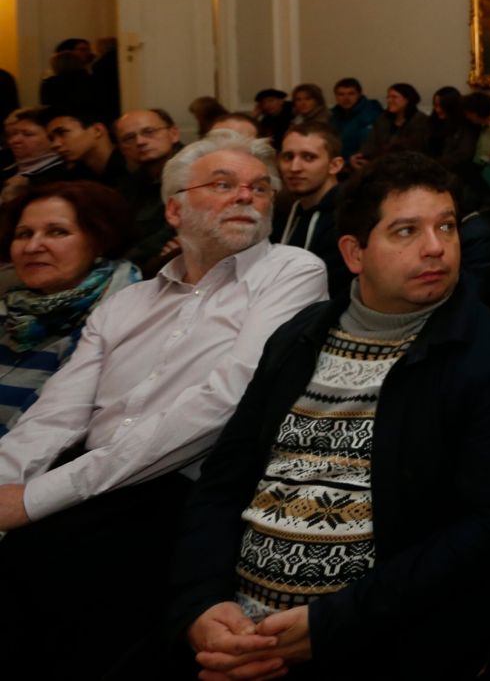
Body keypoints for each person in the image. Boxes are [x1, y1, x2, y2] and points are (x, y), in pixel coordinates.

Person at [167, 153, 490, 681]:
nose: (436, 247)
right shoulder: (298, 339)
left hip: (378, 639)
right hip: (236, 628)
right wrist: (201, 604)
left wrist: (331, 624)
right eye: (406, 231)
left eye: (446, 227)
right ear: (354, 252)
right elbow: (223, 482)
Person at [0, 132, 328, 676]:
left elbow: (225, 400)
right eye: (223, 184)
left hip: (182, 490)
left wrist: (40, 497)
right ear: (174, 208)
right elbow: (56, 415)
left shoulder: (289, 271)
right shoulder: (127, 304)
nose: (246, 196)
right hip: (88, 480)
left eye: (259, 188)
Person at [0, 182, 140, 435]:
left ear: (100, 242)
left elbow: (40, 438)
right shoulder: (10, 310)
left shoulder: (121, 321)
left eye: (57, 232)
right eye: (24, 234)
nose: (32, 247)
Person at [273, 124, 350, 300]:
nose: (294, 167)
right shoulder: (283, 211)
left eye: (308, 157)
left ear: (335, 165)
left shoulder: (348, 217)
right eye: (288, 157)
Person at [114, 107, 184, 275]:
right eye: (129, 138)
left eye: (149, 132)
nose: (140, 142)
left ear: (173, 134)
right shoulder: (128, 185)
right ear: (123, 149)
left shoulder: (196, 172)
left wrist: (122, 264)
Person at [353, 82, 429, 170]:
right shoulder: (382, 119)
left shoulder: (419, 120)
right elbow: (371, 143)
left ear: (407, 99)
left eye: (394, 97)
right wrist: (359, 157)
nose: (389, 100)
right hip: (379, 164)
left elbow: (411, 149)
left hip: (407, 167)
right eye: (388, 97)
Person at [46, 105, 127, 186]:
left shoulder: (131, 167)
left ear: (97, 130)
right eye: (51, 139)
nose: (54, 144)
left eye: (62, 133)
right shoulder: (72, 179)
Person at [1, 106, 69, 202]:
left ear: (52, 138)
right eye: (14, 134)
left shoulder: (61, 177)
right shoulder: (7, 167)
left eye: (28, 134)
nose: (14, 140)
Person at [330, 78, 383, 161]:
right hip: (340, 163)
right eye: (341, 94)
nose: (346, 98)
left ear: (359, 94)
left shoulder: (370, 114)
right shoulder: (334, 115)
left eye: (351, 94)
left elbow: (367, 148)